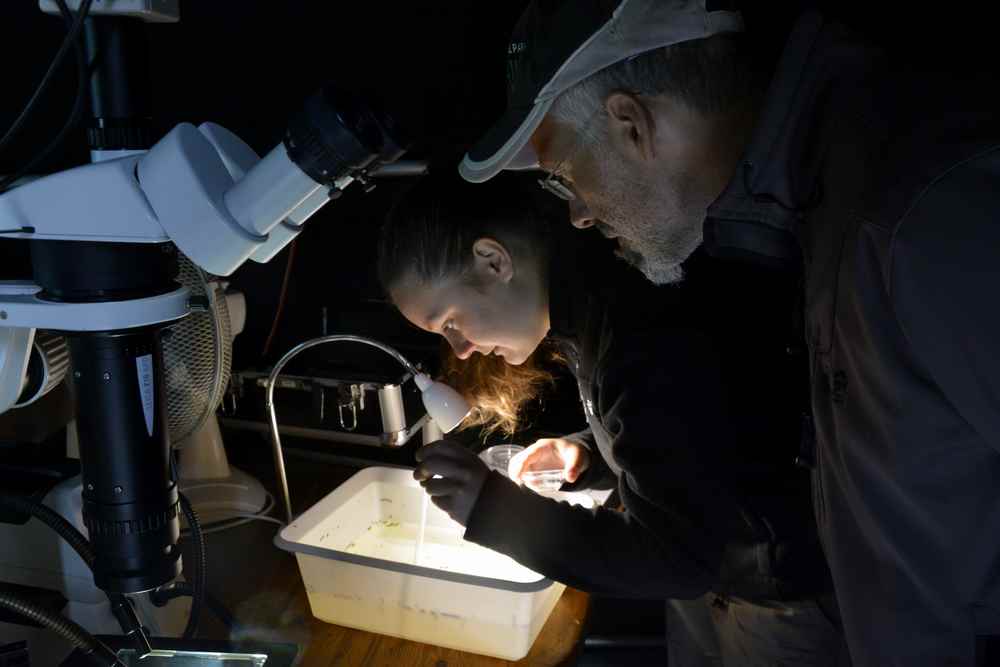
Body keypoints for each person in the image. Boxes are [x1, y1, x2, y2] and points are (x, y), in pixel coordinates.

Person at [456, 2, 1000, 665]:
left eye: (569, 175)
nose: (576, 214)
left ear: (632, 125)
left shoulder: (918, 212)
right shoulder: (807, 210)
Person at [378, 174, 848, 665]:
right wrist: (588, 450)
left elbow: (678, 558)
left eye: (450, 321)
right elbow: (688, 435)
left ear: (494, 261)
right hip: (717, 581)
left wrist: (491, 509)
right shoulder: (589, 309)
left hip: (774, 595)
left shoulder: (634, 324)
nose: (460, 347)